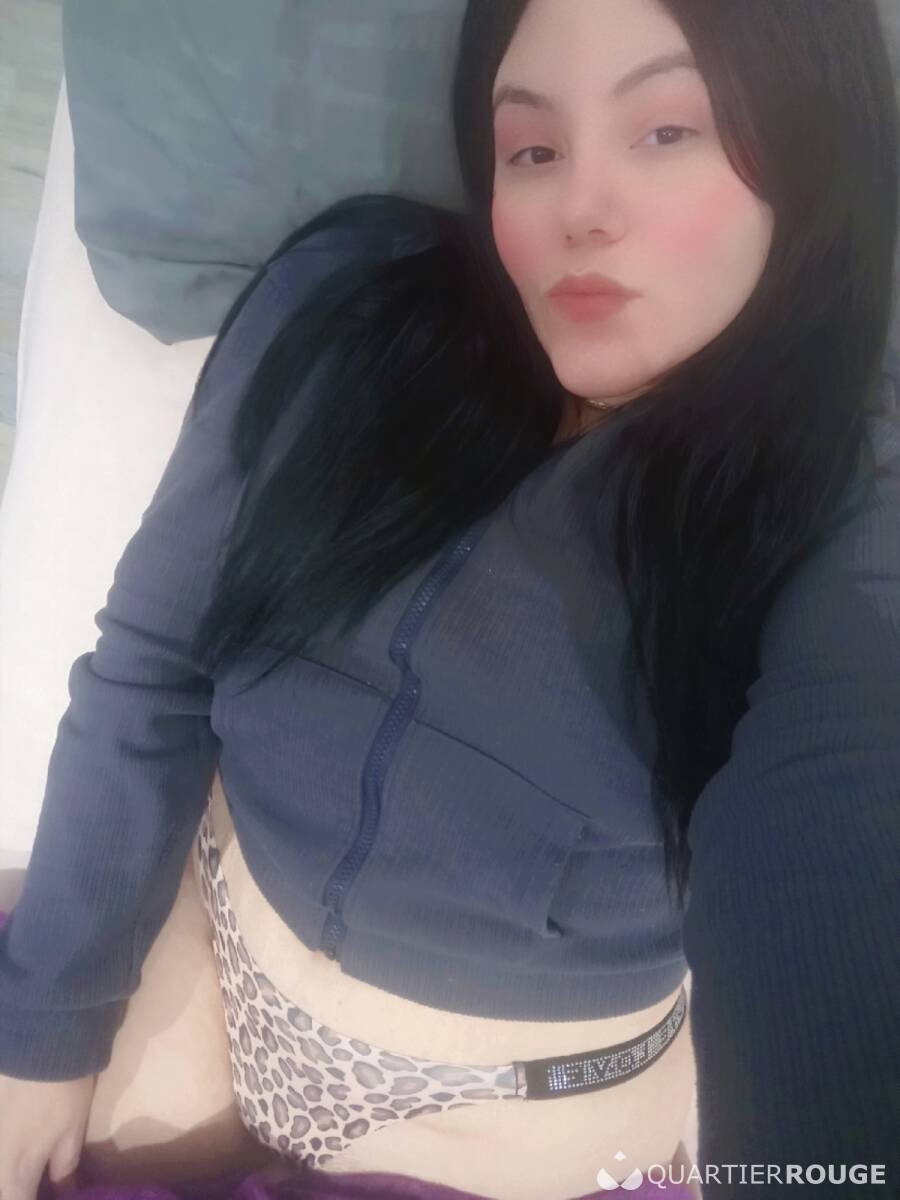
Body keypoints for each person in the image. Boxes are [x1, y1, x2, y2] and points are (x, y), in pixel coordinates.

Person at [1, 1, 899, 1198]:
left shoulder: (837, 514)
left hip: (515, 1120)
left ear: (810, 146)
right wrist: (48, 1023)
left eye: (665, 131)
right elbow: (154, 661)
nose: (579, 208)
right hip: (207, 943)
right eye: (533, 148)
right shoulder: (348, 302)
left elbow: (841, 893)